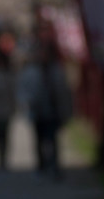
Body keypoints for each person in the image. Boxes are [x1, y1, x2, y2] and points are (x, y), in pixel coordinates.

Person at [20, 23, 72, 178]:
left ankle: (54, 166)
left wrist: (66, 111)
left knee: (52, 140)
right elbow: (23, 90)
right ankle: (41, 166)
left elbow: (64, 92)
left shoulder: (56, 71)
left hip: (53, 110)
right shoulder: (31, 72)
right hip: (37, 110)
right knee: (39, 140)